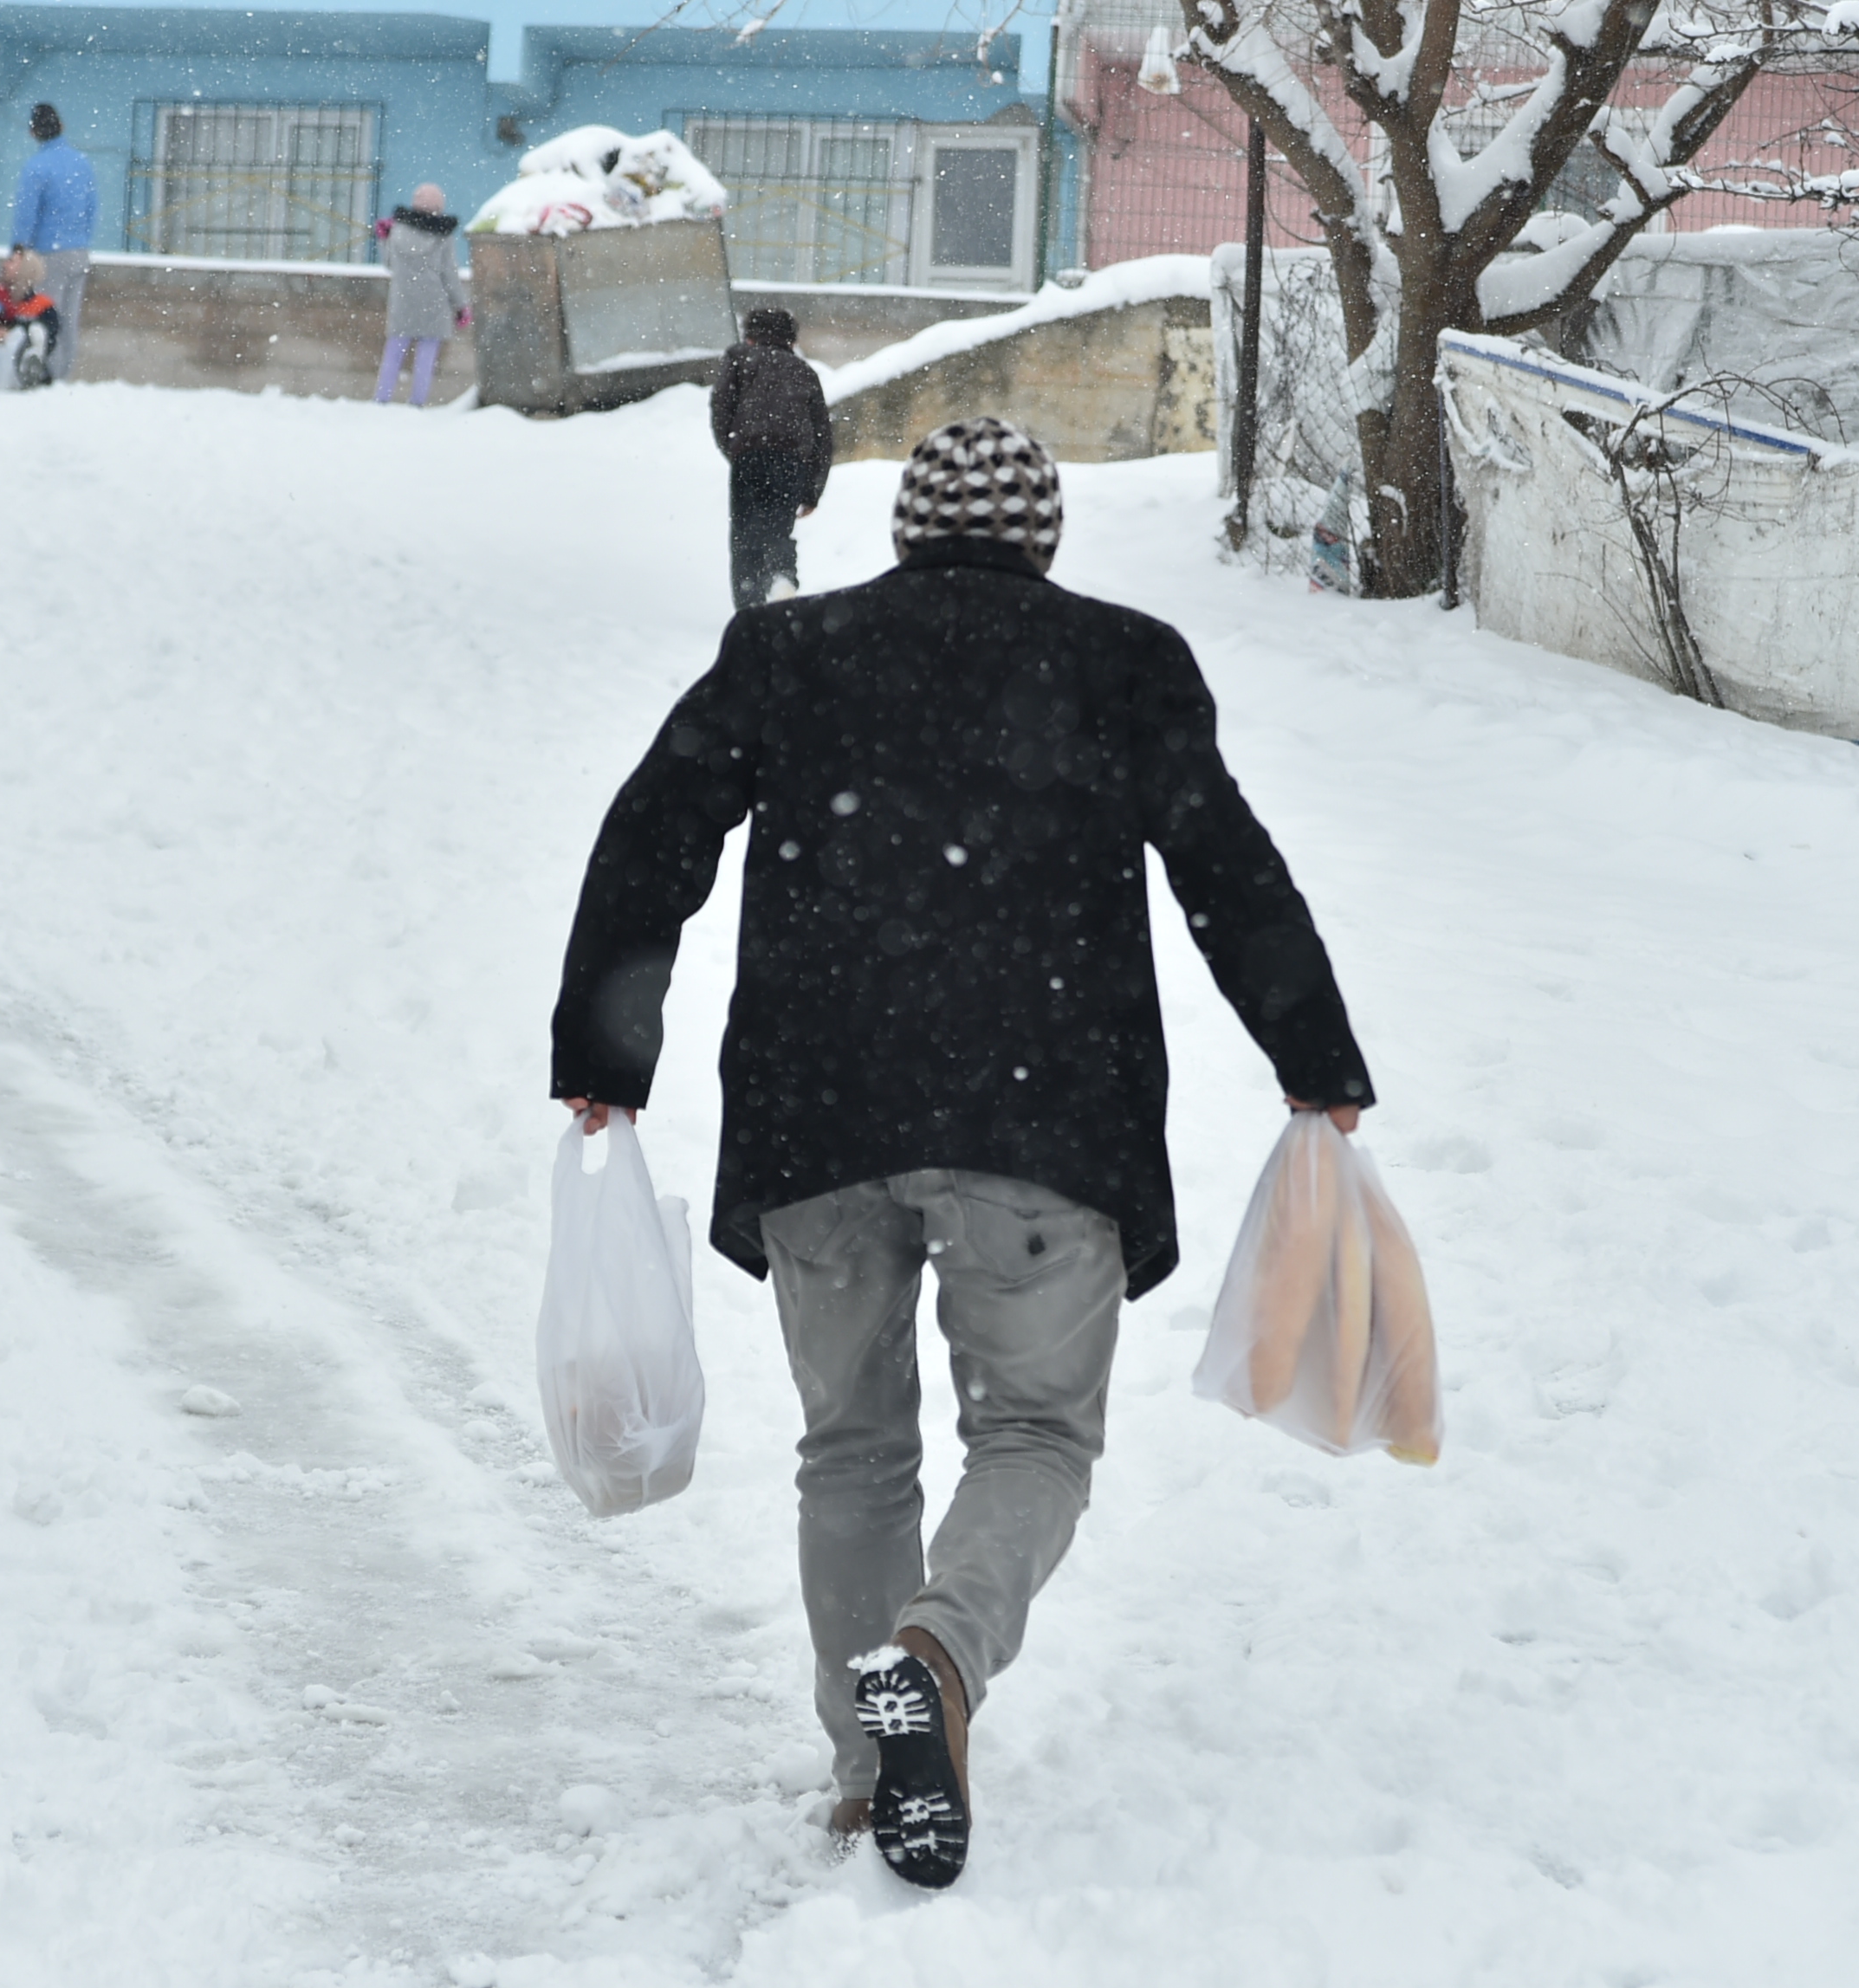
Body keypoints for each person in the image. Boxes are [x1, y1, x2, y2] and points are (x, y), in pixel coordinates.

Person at [548, 417, 1372, 1891]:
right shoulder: (1121, 662)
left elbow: (651, 836)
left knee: (851, 1448)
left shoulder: (789, 654)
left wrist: (605, 1056)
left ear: (907, 530)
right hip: (1042, 1123)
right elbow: (1227, 868)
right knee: (1035, 1438)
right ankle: (936, 1656)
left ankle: (873, 1780)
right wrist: (1315, 1058)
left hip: (820, 1120)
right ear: (1040, 536)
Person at [707, 308, 834, 608]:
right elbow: (822, 436)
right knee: (778, 529)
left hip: (749, 457)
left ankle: (749, 605)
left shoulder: (739, 358)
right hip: (791, 461)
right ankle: (781, 577)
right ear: (791, 340)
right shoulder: (804, 371)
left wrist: (736, 449)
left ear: (750, 336)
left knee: (745, 536)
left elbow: (721, 408)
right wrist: (812, 491)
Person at [6, 103, 95, 382]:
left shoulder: (36, 167)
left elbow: (26, 213)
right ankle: (63, 373)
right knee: (69, 319)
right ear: (62, 127)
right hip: (79, 251)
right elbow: (92, 208)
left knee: (46, 317)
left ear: (33, 132)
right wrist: (81, 239)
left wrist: (19, 248)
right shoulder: (82, 163)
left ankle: (44, 374)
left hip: (48, 254)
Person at [373, 183, 467, 407]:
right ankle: (417, 401)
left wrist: (384, 239)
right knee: (426, 355)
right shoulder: (443, 235)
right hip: (434, 301)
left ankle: (382, 398)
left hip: (402, 300)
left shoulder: (397, 230)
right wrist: (461, 305)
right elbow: (449, 274)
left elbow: (389, 264)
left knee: (394, 351)